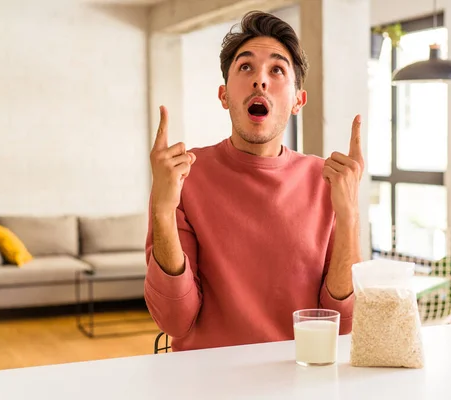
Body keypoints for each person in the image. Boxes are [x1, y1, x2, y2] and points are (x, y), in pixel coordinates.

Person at [144, 10, 364, 352]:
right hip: (207, 381)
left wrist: (349, 217)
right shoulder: (184, 176)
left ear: (297, 100)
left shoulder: (327, 182)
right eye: (245, 67)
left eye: (277, 70)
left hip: (302, 377)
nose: (260, 79)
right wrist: (162, 208)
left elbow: (341, 327)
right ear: (223, 95)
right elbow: (174, 321)